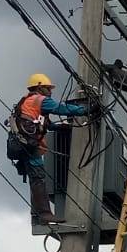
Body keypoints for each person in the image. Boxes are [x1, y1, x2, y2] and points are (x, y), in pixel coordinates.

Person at [9, 72, 94, 227]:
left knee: (35, 179)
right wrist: (84, 110)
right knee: (38, 177)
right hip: (29, 144)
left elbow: (44, 124)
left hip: (23, 144)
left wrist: (61, 127)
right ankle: (45, 214)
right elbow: (59, 108)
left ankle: (38, 213)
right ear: (40, 87)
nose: (51, 91)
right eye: (48, 88)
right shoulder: (39, 100)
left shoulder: (28, 102)